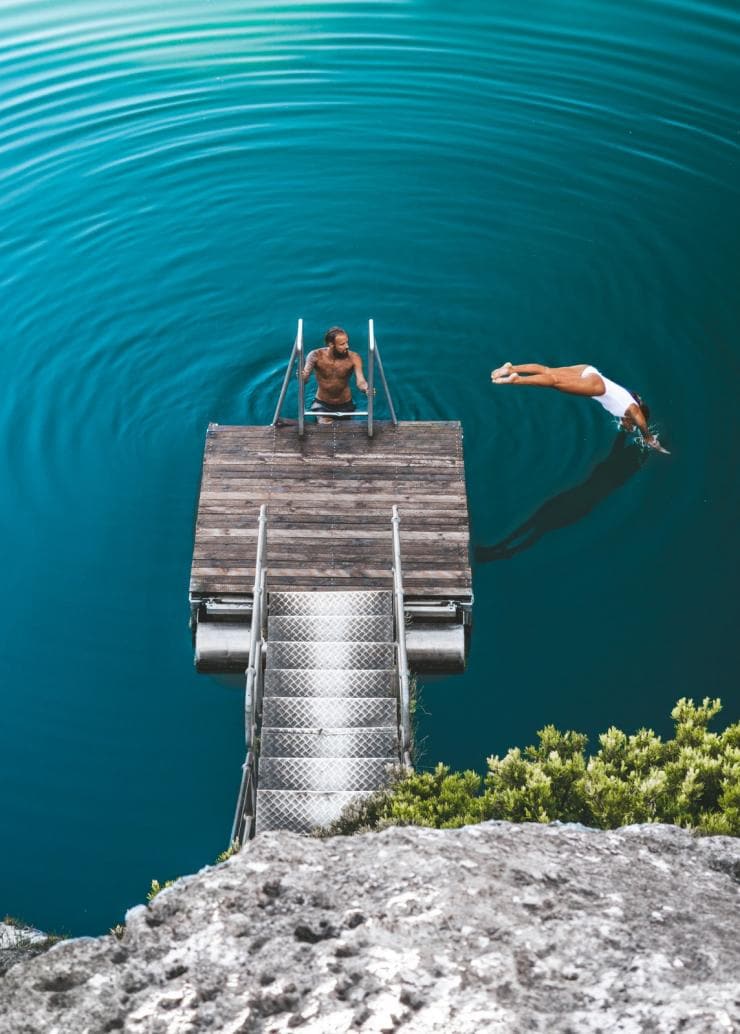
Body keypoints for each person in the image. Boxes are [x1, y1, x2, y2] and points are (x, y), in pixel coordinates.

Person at [490, 361, 669, 453]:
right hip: (597, 387)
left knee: (547, 370)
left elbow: (628, 422)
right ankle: (518, 379)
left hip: (588, 370)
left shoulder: (630, 401)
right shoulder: (632, 409)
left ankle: (510, 368)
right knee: (554, 382)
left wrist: (627, 427)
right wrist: (649, 439)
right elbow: (640, 421)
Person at [302, 327, 370, 424]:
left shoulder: (354, 357)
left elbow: (361, 381)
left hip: (346, 404)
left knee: (346, 430)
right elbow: (305, 378)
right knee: (324, 426)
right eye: (342, 344)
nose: (347, 346)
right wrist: (302, 376)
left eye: (347, 342)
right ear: (331, 345)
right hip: (322, 404)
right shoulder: (315, 355)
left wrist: (367, 389)